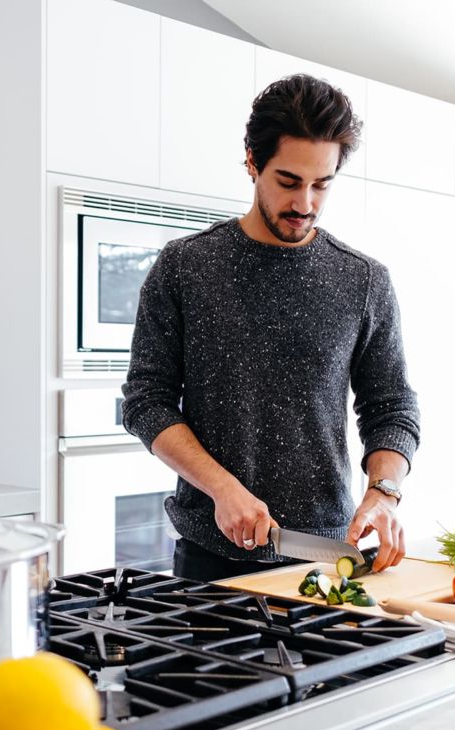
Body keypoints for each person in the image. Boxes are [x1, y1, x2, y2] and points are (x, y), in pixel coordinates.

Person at [121, 74, 420, 583]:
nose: (305, 203)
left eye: (321, 184)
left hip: (326, 556)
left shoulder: (364, 279)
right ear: (252, 162)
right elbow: (146, 402)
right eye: (288, 181)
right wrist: (222, 489)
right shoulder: (185, 266)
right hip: (209, 559)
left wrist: (383, 491)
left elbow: (391, 405)